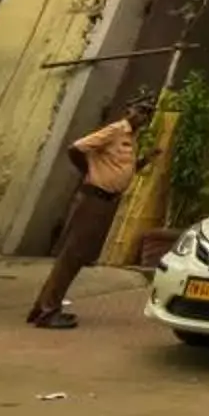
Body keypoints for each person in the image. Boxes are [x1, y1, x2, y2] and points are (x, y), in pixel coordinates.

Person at [28, 95, 153, 330]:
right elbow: (76, 148)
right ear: (129, 109)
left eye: (147, 113)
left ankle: (42, 308)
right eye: (140, 110)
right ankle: (47, 311)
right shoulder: (116, 130)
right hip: (94, 198)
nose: (143, 116)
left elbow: (119, 167)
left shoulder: (131, 138)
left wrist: (144, 161)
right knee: (72, 255)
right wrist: (88, 171)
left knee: (77, 256)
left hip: (106, 201)